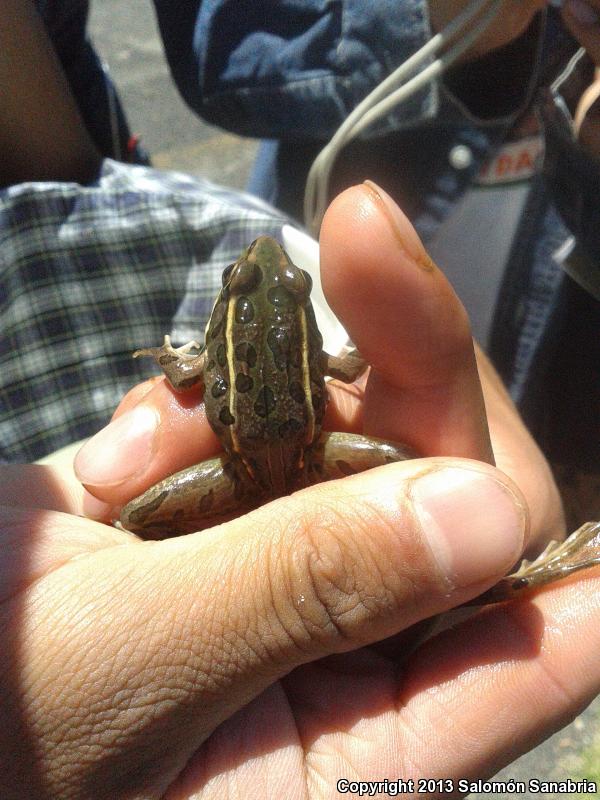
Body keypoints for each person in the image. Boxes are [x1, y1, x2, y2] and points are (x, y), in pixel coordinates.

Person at [0, 2, 598, 796]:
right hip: (314, 453)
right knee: (392, 462)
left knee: (138, 510)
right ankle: (412, 500)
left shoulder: (211, 351)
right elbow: (343, 359)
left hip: (241, 469)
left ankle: (172, 545)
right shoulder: (316, 347)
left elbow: (185, 379)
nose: (271, 265)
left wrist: (183, 365)